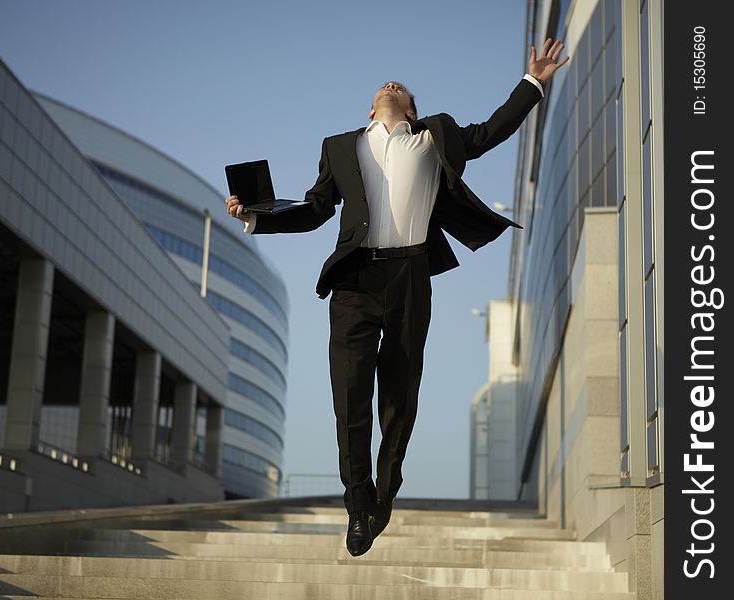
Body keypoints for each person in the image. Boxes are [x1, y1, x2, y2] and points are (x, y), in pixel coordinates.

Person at [226, 38, 569, 557]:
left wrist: (534, 82)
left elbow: (491, 131)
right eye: (383, 87)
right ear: (369, 110)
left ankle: (386, 491)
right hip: (355, 281)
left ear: (410, 109)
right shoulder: (341, 146)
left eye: (400, 89)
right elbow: (316, 209)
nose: (390, 86)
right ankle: (357, 503)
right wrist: (255, 216)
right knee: (350, 395)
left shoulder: (437, 136)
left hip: (411, 275)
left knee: (400, 396)